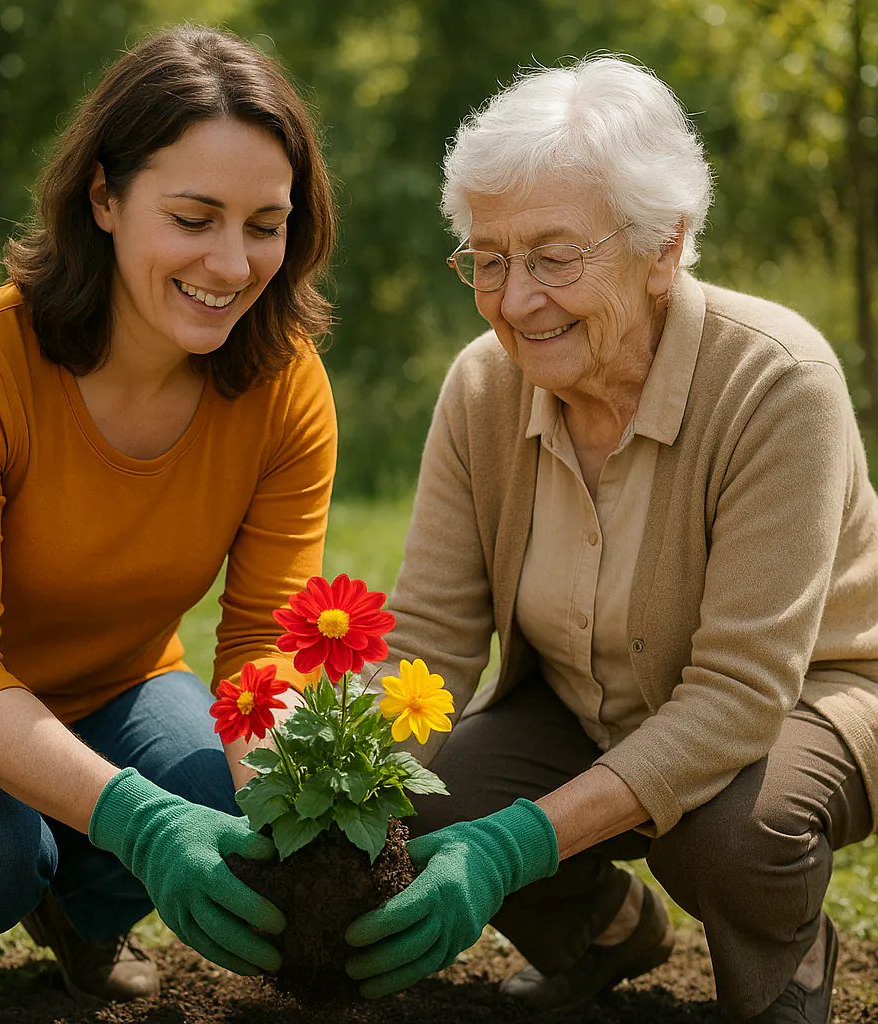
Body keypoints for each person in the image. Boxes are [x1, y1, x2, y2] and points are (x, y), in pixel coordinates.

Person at [344, 56, 878, 1024]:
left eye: (553, 256)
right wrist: (335, 781)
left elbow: (738, 695)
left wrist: (517, 842)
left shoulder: (775, 380)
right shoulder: (483, 384)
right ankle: (602, 931)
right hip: (585, 700)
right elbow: (430, 634)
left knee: (724, 828)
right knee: (422, 793)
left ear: (663, 245)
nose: (513, 300)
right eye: (489, 258)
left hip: (811, 698)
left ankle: (783, 970)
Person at [0, 24, 337, 1014]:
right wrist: (136, 819)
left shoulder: (285, 383)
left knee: (215, 790)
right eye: (194, 217)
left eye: (264, 223)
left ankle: (76, 909)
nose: (233, 263)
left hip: (110, 682)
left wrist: (288, 805)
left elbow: (259, 649)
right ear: (105, 198)